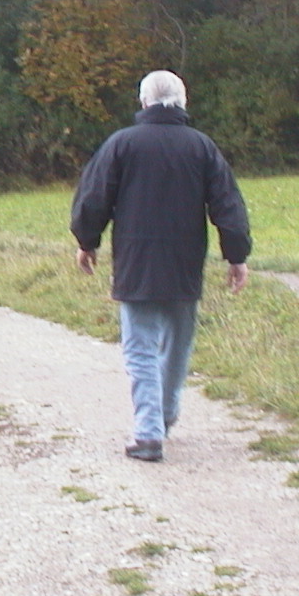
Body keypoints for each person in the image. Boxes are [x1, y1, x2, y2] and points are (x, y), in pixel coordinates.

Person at [70, 70, 251, 463]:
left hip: (136, 261)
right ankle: (164, 417)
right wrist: (236, 255)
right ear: (183, 102)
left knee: (141, 350)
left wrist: (87, 241)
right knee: (177, 347)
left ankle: (148, 432)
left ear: (144, 102)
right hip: (186, 263)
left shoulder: (122, 144)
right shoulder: (201, 147)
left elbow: (93, 197)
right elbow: (228, 204)